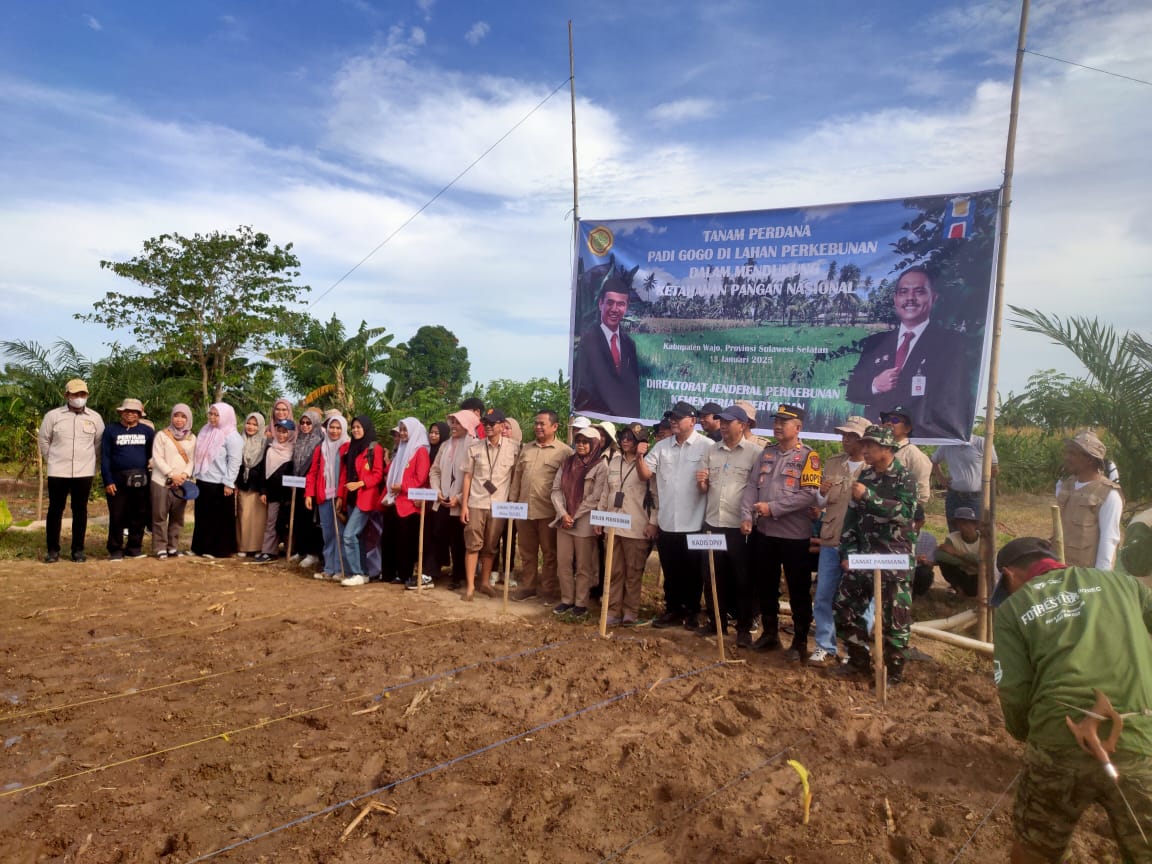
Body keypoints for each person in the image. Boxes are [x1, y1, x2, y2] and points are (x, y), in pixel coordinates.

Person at [991, 534, 1152, 863]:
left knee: (1035, 852)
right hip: (1138, 737)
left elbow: (1014, 692)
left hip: (1058, 743)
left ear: (1009, 574)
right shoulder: (1125, 585)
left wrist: (1028, 734)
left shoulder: (1012, 610)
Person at [844, 266, 973, 439]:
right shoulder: (876, 342)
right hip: (875, 440)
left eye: (919, 292)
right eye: (903, 292)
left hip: (921, 438)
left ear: (933, 297)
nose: (910, 298)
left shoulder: (951, 343)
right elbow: (852, 391)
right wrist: (875, 384)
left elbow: (954, 397)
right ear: (895, 299)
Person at [833, 425, 917, 684]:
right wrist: (847, 552)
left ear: (887, 448)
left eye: (871, 445)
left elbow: (904, 513)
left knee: (894, 618)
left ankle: (893, 672)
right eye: (864, 445)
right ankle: (858, 660)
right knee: (844, 606)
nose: (865, 450)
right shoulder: (866, 475)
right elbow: (851, 518)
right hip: (863, 557)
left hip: (893, 559)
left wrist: (868, 497)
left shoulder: (904, 478)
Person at [740, 405, 823, 660]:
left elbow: (809, 495)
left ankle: (799, 642)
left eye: (783, 423)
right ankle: (770, 634)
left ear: (798, 428)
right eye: (776, 421)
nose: (777, 426)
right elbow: (751, 486)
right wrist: (747, 516)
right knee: (766, 586)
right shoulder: (767, 453)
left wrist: (772, 508)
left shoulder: (809, 457)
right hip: (765, 533)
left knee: (797, 590)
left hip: (794, 536)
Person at [638, 401, 712, 629]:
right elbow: (645, 474)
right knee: (670, 571)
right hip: (668, 521)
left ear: (693, 421)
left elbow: (712, 483)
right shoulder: (662, 447)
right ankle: (672, 610)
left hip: (695, 522)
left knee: (693, 573)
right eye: (672, 418)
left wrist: (704, 482)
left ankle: (692, 612)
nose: (674, 421)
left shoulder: (707, 446)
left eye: (678, 418)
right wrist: (640, 456)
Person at [697, 405, 760, 645]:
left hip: (739, 527)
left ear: (742, 425)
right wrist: (702, 484)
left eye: (728, 422)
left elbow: (758, 489)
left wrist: (750, 518)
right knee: (712, 576)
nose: (722, 426)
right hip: (713, 523)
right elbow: (704, 488)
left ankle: (743, 629)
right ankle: (717, 623)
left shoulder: (754, 453)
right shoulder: (712, 450)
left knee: (743, 579)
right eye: (721, 421)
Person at [809, 415, 869, 665]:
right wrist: (821, 493)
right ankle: (825, 645)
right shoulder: (834, 463)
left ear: (864, 441)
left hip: (860, 544)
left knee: (859, 599)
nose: (845, 440)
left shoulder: (874, 468)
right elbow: (821, 502)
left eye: (852, 436)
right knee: (823, 594)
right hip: (832, 538)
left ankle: (857, 648)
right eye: (844, 435)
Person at [509, 410, 572, 603]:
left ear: (555, 426)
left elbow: (568, 484)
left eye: (542, 424)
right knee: (526, 552)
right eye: (536, 423)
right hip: (524, 510)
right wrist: (512, 503)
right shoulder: (526, 449)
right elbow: (517, 477)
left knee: (549, 553)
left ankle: (548, 590)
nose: (537, 427)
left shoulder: (564, 452)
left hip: (549, 512)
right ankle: (528, 587)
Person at [38, 378, 105, 563]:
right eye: (75, 394)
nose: (79, 397)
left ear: (87, 395)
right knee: (55, 510)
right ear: (66, 395)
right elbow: (44, 440)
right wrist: (52, 459)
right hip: (58, 471)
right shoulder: (53, 416)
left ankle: (78, 550)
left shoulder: (95, 418)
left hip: (84, 472)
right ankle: (53, 550)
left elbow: (99, 444)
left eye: (82, 394)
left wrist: (92, 463)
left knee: (80, 510)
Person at [598, 422, 658, 627]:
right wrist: (600, 517)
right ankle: (612, 610)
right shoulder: (614, 462)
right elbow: (606, 492)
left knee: (633, 573)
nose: (625, 441)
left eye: (630, 438)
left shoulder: (648, 463)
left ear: (641, 442)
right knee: (614, 571)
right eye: (623, 437)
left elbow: (655, 496)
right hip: (613, 525)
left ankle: (630, 612)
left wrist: (653, 523)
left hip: (636, 527)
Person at [459, 408, 519, 600]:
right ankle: (470, 587)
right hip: (477, 502)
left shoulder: (514, 448)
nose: (488, 427)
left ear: (502, 425)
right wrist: (464, 506)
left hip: (499, 505)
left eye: (492, 423)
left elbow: (515, 476)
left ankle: (484, 583)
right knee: (473, 544)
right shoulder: (475, 448)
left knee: (491, 546)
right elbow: (467, 477)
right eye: (486, 423)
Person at [550, 427, 608, 616]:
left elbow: (596, 496)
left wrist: (574, 515)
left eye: (585, 442)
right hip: (564, 519)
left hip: (584, 520)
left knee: (584, 565)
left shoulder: (601, 466)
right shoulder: (567, 463)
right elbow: (556, 490)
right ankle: (566, 599)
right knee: (563, 562)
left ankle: (581, 602)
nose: (581, 445)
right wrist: (563, 513)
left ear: (594, 444)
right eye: (578, 441)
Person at [572, 274, 641, 418]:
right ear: (600, 304)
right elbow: (583, 387)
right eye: (610, 303)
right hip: (596, 419)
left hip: (624, 421)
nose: (614, 309)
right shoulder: (588, 342)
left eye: (620, 304)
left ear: (626, 308)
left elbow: (633, 390)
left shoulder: (629, 344)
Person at [1056, 429, 1123, 570]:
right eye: (1067, 452)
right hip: (1060, 569)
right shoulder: (1066, 485)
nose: (1067, 457)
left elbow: (1108, 540)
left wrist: (1099, 579)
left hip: (1085, 575)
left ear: (1090, 460)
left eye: (1073, 453)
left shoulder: (1108, 494)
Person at [427, 410, 480, 589]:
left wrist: (459, 498)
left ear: (467, 425)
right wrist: (437, 490)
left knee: (459, 540)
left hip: (462, 502)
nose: (453, 426)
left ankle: (458, 576)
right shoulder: (445, 445)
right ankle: (431, 573)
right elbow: (435, 470)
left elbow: (475, 477)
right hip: (442, 499)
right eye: (452, 422)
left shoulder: (475, 446)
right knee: (437, 535)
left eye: (458, 423)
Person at [101, 398, 156, 560]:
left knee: (139, 514)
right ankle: (115, 549)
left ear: (140, 414)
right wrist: (108, 480)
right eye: (127, 411)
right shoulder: (111, 430)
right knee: (117, 515)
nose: (131, 414)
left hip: (141, 478)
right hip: (117, 479)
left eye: (135, 412)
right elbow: (105, 457)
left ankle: (134, 548)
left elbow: (153, 454)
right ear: (121, 412)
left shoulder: (147, 431)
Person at [382, 417, 431, 589]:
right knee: (390, 539)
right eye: (401, 430)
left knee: (405, 542)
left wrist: (402, 486)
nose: (402, 433)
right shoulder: (402, 448)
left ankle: (404, 575)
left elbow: (420, 477)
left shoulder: (420, 451)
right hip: (394, 500)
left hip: (409, 504)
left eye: (405, 430)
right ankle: (389, 573)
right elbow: (391, 471)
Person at [191, 403, 244, 559]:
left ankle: (217, 550)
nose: (212, 417)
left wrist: (229, 482)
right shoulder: (206, 430)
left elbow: (235, 462)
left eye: (216, 415)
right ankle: (200, 547)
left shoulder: (232, 436)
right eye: (211, 414)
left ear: (225, 416)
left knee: (218, 519)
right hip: (203, 480)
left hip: (220, 484)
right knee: (202, 516)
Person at [339, 416, 387, 586]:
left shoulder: (374, 448)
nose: (355, 430)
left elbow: (378, 474)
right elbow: (346, 473)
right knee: (357, 536)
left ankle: (357, 572)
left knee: (349, 535)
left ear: (366, 428)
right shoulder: (352, 447)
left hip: (365, 498)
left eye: (359, 427)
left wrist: (360, 483)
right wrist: (341, 496)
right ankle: (363, 573)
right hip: (352, 497)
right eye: (353, 427)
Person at [304, 415, 351, 580]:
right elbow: (313, 472)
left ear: (343, 429)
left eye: (338, 428)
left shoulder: (347, 447)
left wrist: (341, 495)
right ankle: (329, 568)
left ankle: (341, 569)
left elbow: (346, 473)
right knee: (328, 532)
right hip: (324, 495)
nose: (334, 431)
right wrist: (309, 493)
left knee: (341, 533)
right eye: (332, 427)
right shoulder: (321, 448)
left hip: (340, 497)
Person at [150, 403, 196, 558]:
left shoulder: (192, 438)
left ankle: (172, 547)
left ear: (188, 419)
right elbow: (157, 457)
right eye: (176, 415)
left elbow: (192, 460)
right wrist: (171, 474)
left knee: (177, 517)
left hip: (181, 483)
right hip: (161, 481)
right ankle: (160, 547)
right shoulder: (162, 435)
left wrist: (184, 475)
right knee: (159, 515)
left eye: (183, 416)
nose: (179, 419)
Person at [931, 433, 998, 530]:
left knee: (976, 532)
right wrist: (941, 478)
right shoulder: (947, 444)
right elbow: (933, 461)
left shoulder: (982, 443)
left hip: (976, 498)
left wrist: (982, 481)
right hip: (954, 497)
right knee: (954, 532)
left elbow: (994, 468)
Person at [254, 418, 296, 563]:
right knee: (271, 522)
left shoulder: (294, 450)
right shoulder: (270, 449)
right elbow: (263, 472)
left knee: (287, 523)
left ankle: (290, 551)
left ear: (291, 433)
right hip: (273, 493)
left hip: (288, 495)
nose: (281, 435)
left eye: (285, 432)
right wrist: (263, 491)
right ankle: (268, 551)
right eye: (279, 431)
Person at [290, 408, 325, 569]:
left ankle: (313, 553)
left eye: (308, 423)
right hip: (298, 484)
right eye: (302, 422)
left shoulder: (319, 441)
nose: (304, 425)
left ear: (315, 424)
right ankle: (301, 550)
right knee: (298, 518)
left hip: (311, 485)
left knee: (310, 520)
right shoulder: (299, 438)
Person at [881, 407, 932, 508]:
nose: (889, 423)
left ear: (907, 429)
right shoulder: (878, 450)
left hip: (902, 512)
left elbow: (921, 494)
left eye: (895, 420)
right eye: (887, 420)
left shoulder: (914, 455)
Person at [235, 412, 268, 556]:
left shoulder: (265, 443)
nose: (251, 427)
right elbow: (235, 463)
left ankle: (257, 548)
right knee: (243, 516)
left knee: (258, 520)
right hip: (243, 484)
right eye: (249, 423)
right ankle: (242, 547)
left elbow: (266, 467)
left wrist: (263, 490)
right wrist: (234, 483)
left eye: (255, 424)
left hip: (258, 487)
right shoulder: (239, 440)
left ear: (260, 426)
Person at [934, 506, 982, 596]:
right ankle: (958, 589)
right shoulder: (952, 538)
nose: (963, 527)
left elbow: (981, 561)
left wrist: (956, 552)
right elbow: (940, 556)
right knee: (945, 564)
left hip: (979, 575)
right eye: (959, 524)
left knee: (972, 592)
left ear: (975, 524)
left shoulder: (983, 540)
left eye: (966, 523)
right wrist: (966, 564)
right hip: (963, 573)